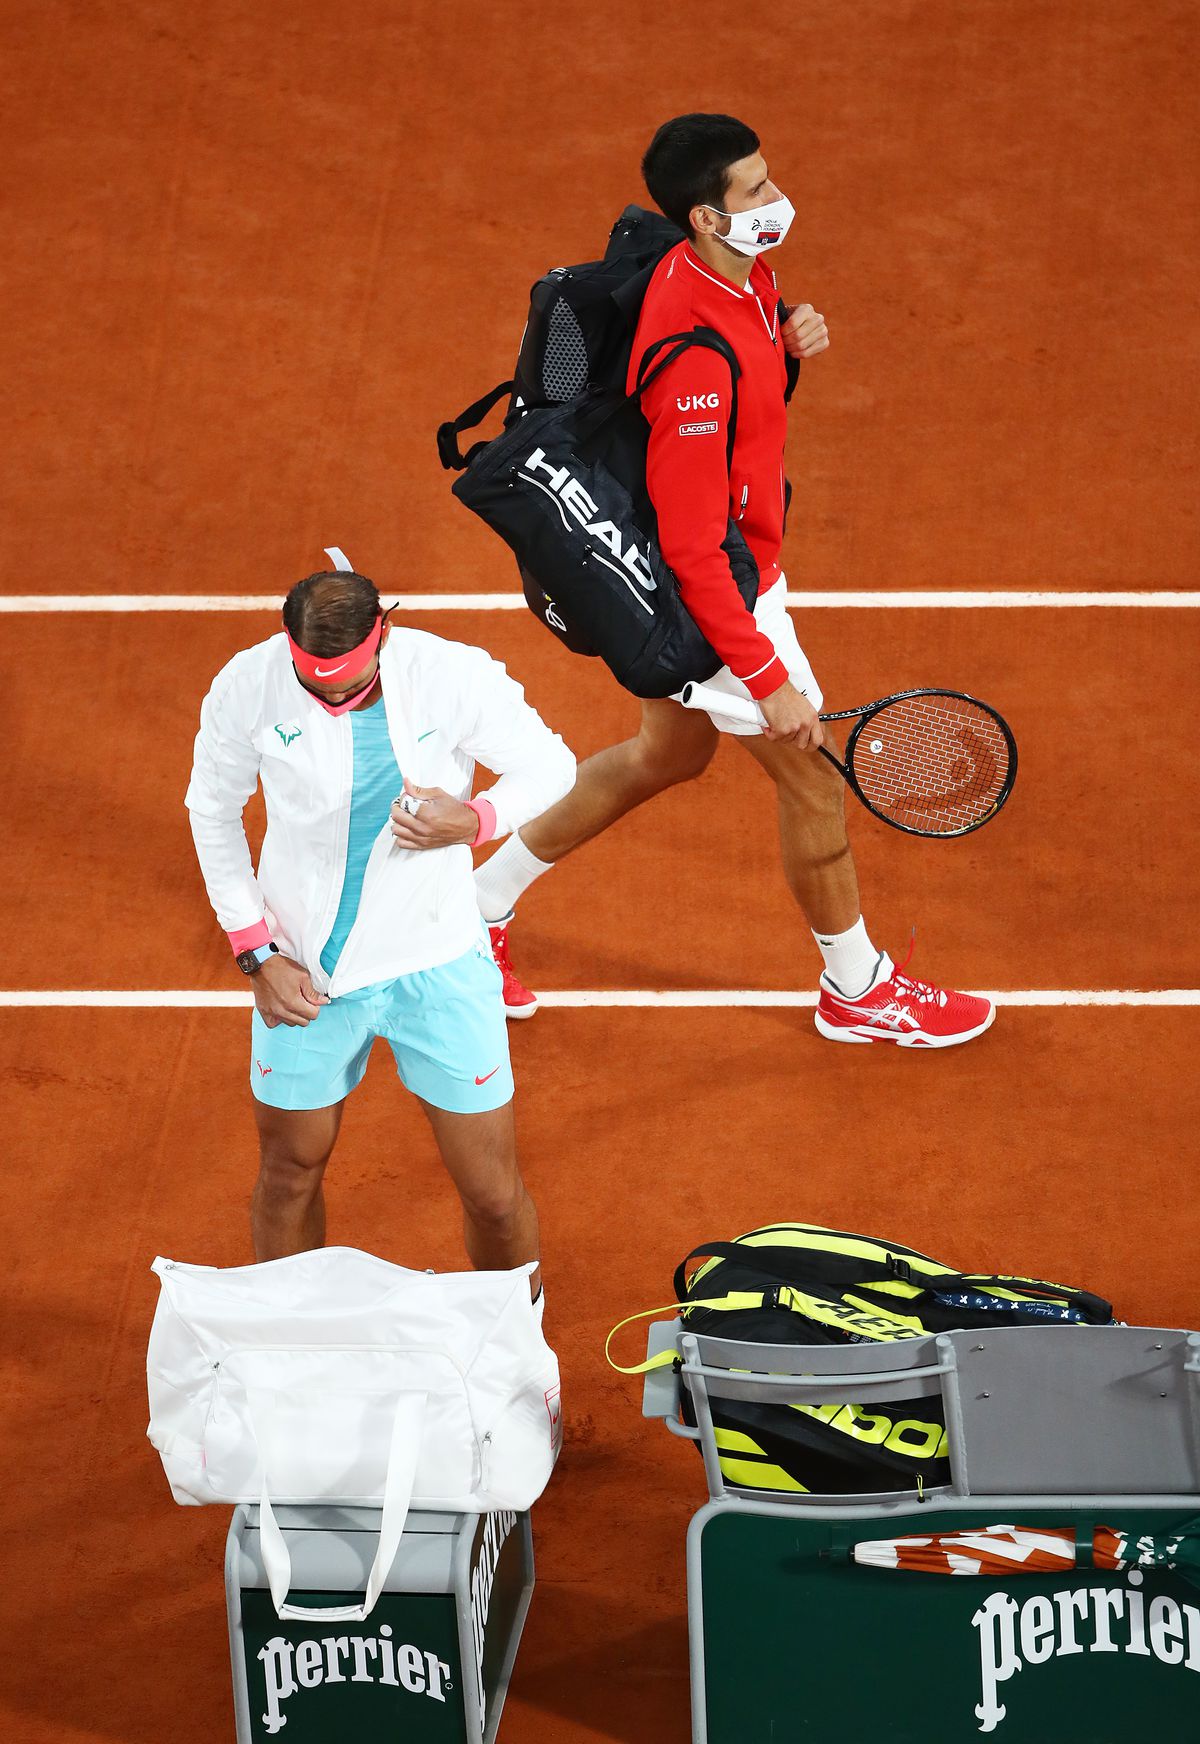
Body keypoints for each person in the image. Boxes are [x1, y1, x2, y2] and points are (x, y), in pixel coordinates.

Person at [474, 113, 993, 1048]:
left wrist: (785, 346)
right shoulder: (691, 366)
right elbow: (690, 550)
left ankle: (475, 908)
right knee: (813, 786)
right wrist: (766, 679)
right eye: (755, 190)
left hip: (749, 559)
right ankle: (857, 989)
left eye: (768, 178)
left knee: (665, 756)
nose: (775, 199)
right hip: (716, 593)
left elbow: (748, 415)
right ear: (708, 216)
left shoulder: (737, 276)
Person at [185, 561, 576, 1296]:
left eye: (349, 684)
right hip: (304, 972)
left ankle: (515, 1345)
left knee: (493, 1194)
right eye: (314, 682)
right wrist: (254, 951)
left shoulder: (451, 674)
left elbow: (551, 765)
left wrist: (479, 819)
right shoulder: (247, 685)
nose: (331, 698)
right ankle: (295, 1339)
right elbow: (212, 811)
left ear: (382, 637)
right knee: (290, 1172)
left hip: (440, 964)